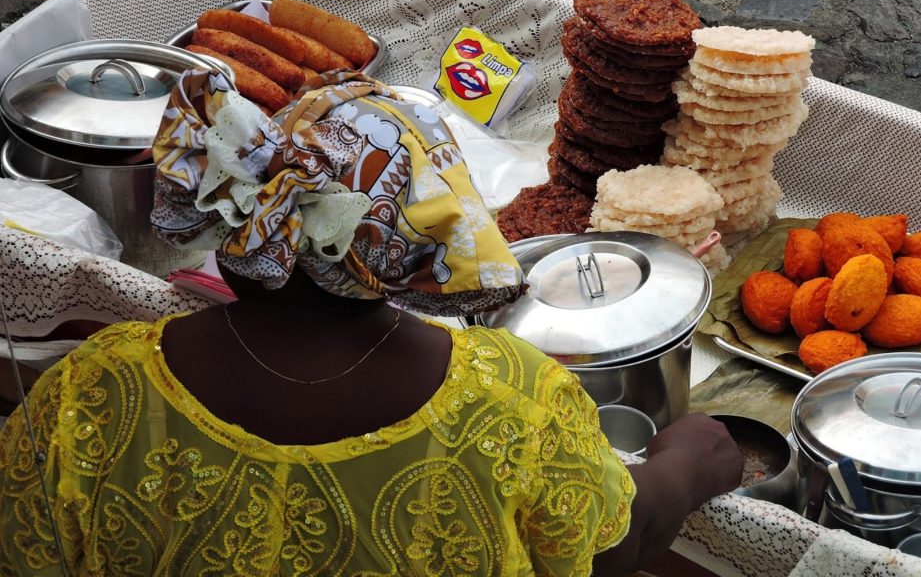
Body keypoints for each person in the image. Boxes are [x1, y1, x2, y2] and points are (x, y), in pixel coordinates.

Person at [0, 67, 742, 576]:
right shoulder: (514, 398)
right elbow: (612, 548)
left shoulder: (100, 383)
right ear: (418, 251)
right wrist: (687, 464)